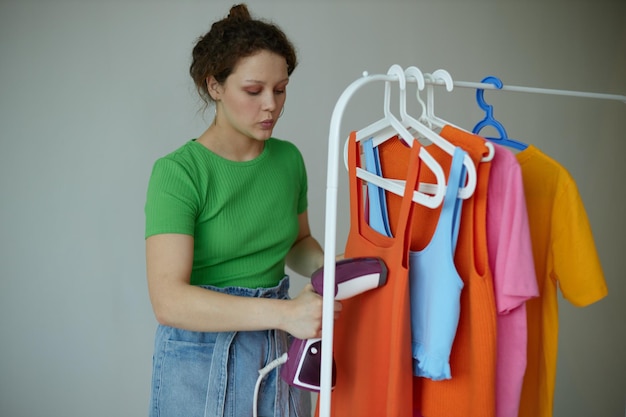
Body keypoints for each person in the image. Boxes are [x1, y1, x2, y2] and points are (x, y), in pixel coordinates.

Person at [144, 4, 338, 416]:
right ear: (215, 86)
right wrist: (287, 313)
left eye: (280, 89)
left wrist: (333, 266)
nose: (271, 105)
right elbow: (169, 301)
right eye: (254, 91)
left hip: (279, 341)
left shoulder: (287, 160)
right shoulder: (179, 173)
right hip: (202, 353)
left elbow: (298, 243)